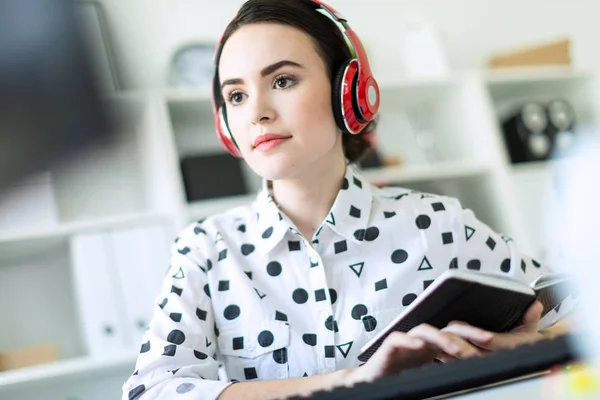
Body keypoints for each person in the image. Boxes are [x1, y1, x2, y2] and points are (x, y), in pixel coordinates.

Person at [122, 1, 572, 399]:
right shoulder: (205, 249)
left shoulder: (436, 222)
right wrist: (353, 381)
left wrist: (506, 351)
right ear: (225, 124)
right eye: (236, 95)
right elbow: (151, 390)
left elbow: (579, 313)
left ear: (349, 92)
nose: (257, 111)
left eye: (282, 80)